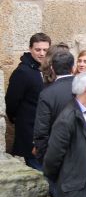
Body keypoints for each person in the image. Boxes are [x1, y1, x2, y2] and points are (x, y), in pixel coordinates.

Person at [33, 50, 76, 197]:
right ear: (72, 67)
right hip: (81, 156)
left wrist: (45, 159)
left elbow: (40, 132)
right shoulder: (83, 89)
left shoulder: (48, 94)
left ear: (51, 69)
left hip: (58, 158)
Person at [5, 32, 51, 170]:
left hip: (45, 134)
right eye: (38, 49)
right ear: (30, 49)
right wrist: (18, 120)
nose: (42, 53)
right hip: (29, 133)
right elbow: (11, 102)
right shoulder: (23, 72)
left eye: (45, 50)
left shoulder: (47, 70)